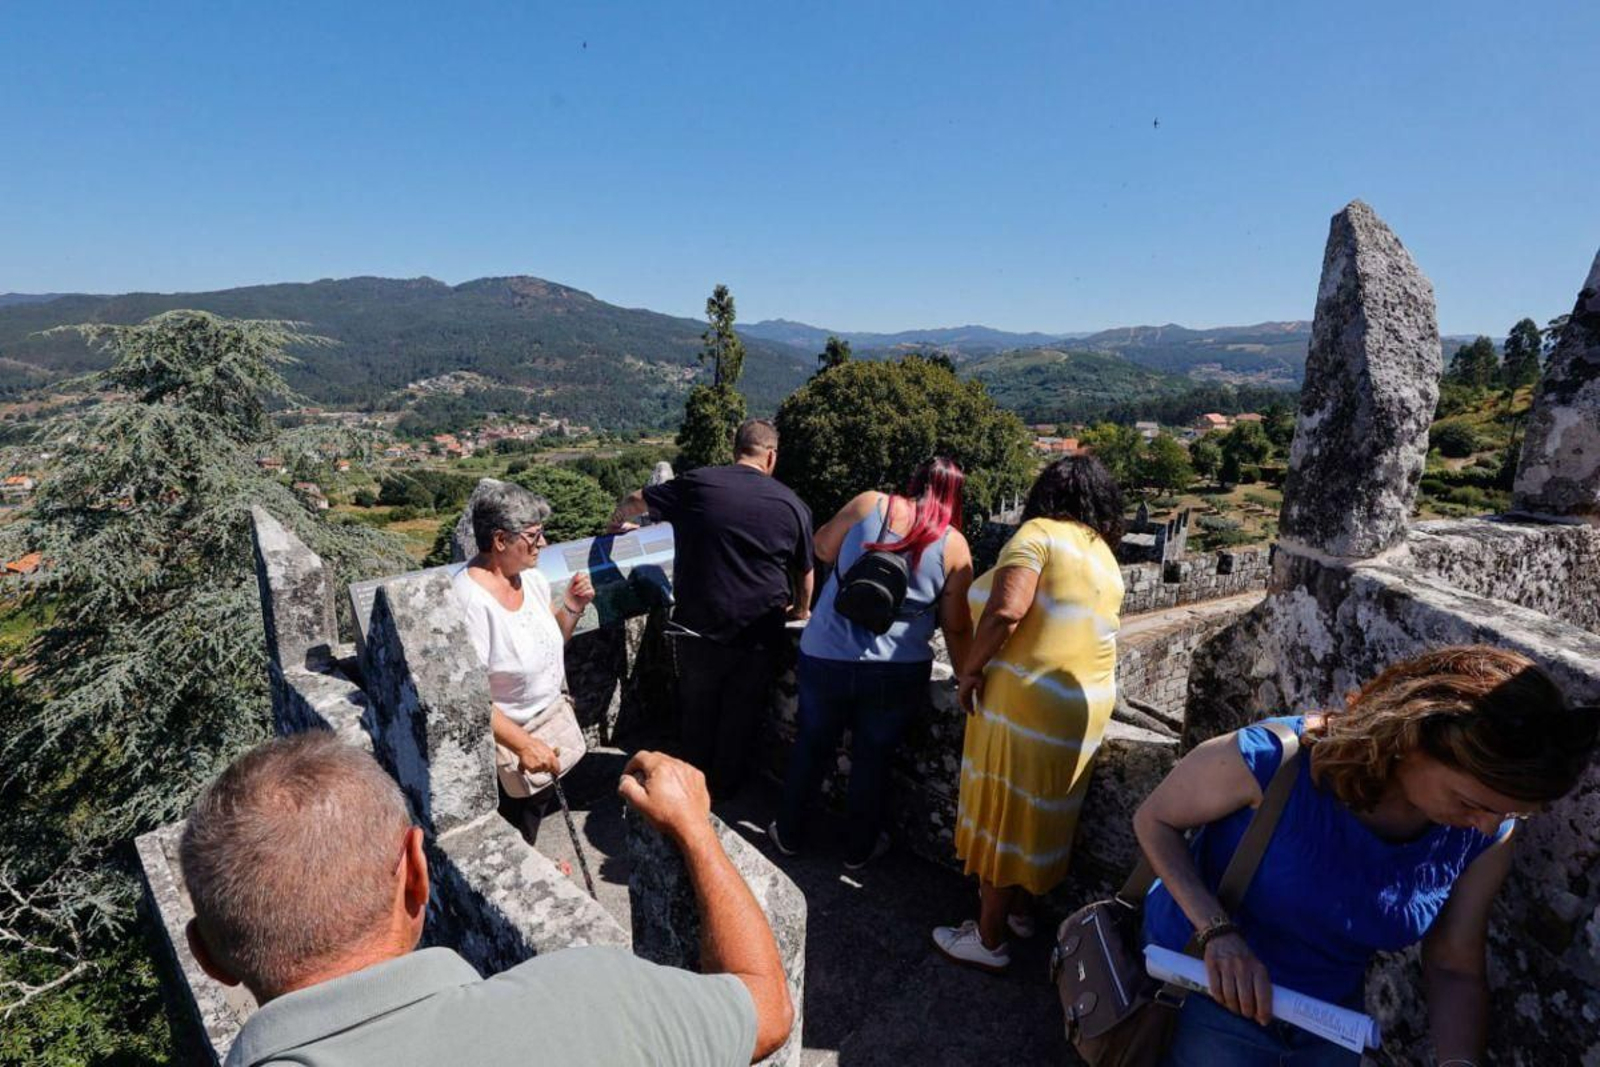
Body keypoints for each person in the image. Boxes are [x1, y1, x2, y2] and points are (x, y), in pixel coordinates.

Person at [180, 732, 794, 1066]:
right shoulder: (599, 995)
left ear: (206, 955)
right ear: (417, 873)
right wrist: (694, 829)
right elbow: (766, 1011)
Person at [1134, 646, 1597, 1067]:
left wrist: (1458, 1063)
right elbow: (1154, 819)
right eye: (1470, 802)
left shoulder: (1486, 832)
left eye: (1509, 812)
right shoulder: (1274, 762)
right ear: (1412, 742)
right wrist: (1218, 931)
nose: (1487, 825)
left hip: (1328, 1025)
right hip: (1203, 996)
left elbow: (1454, 964)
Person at [932, 454, 1126, 972]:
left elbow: (1006, 611)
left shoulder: (1038, 534)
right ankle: (1018, 912)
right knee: (1040, 813)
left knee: (1004, 814)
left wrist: (970, 670)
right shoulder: (1104, 556)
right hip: (1081, 709)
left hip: (1029, 702)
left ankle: (988, 939)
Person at [770, 456, 975, 868]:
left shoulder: (869, 504)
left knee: (811, 744)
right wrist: (966, 675)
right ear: (955, 496)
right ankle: (857, 850)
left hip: (826, 652)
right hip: (896, 669)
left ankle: (789, 834)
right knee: (873, 759)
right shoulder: (955, 546)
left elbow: (822, 546)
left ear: (913, 480)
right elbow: (955, 626)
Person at [609, 418, 815, 797]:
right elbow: (804, 572)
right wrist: (801, 613)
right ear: (771, 456)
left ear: (735, 450)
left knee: (697, 711)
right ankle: (725, 791)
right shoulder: (792, 504)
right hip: (759, 632)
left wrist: (616, 518)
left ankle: (690, 788)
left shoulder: (700, 484)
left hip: (699, 627)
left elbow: (641, 499)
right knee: (741, 713)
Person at [449, 482, 594, 839]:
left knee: (534, 817)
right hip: (509, 753)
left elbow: (551, 643)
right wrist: (524, 745)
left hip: (548, 727)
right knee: (513, 833)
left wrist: (572, 608)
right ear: (500, 540)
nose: (542, 544)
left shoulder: (531, 579)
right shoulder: (470, 603)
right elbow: (469, 700)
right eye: (533, 535)